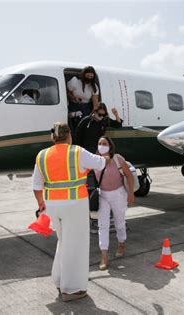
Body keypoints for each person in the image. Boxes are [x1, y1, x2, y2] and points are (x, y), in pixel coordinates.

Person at [32, 122, 107, 302]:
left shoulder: (42, 155)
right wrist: (102, 153)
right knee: (77, 246)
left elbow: (36, 186)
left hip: (52, 206)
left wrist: (41, 203)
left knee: (64, 241)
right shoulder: (77, 152)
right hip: (74, 204)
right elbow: (101, 163)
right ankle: (72, 289)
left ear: (53, 137)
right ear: (69, 135)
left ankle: (59, 279)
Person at [94, 136, 135, 270]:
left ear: (110, 146)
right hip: (103, 195)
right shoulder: (95, 160)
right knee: (103, 225)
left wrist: (130, 193)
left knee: (120, 221)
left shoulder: (118, 158)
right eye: (99, 143)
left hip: (118, 194)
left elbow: (128, 175)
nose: (101, 145)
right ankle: (104, 255)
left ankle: (121, 242)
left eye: (104, 143)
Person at [67, 66, 100, 133]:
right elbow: (67, 93)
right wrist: (74, 98)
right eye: (88, 76)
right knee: (73, 127)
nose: (89, 78)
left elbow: (95, 104)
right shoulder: (75, 81)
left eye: (91, 77)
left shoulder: (94, 87)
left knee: (83, 128)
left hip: (86, 109)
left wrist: (91, 115)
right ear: (84, 74)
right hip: (74, 106)